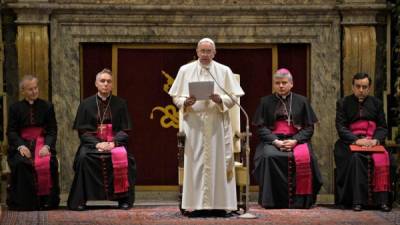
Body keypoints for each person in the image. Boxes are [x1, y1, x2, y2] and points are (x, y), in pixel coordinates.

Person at [168, 38, 244, 216]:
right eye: (202, 51)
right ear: (196, 51)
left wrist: (221, 100)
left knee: (218, 162)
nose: (205, 55)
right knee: (196, 164)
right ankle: (195, 205)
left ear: (214, 53)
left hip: (217, 124)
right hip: (194, 125)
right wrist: (185, 102)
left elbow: (234, 97)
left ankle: (220, 204)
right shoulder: (185, 70)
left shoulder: (224, 71)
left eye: (208, 51)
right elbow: (176, 97)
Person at [252, 68, 322, 209]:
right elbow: (261, 128)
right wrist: (276, 141)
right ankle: (271, 201)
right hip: (273, 140)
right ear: (274, 84)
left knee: (310, 159)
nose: (281, 86)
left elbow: (309, 127)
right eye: (277, 83)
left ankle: (302, 201)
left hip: (296, 140)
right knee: (268, 157)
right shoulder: (265, 101)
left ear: (291, 84)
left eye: (284, 83)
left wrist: (295, 140)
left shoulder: (302, 101)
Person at [67, 68, 136, 211]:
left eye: (108, 81)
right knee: (83, 158)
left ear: (112, 85)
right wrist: (98, 143)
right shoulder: (86, 104)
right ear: (96, 84)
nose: (105, 84)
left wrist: (112, 143)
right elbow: (83, 132)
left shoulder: (120, 103)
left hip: (113, 143)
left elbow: (125, 130)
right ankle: (81, 199)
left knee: (126, 158)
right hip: (93, 144)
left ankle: (123, 199)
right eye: (102, 81)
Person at [334, 72, 392, 212]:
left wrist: (376, 140)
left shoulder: (376, 103)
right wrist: (357, 140)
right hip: (350, 141)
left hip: (372, 141)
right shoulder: (343, 103)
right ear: (353, 87)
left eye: (364, 87)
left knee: (384, 158)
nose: (361, 90)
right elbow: (341, 127)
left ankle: (382, 201)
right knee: (356, 158)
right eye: (358, 86)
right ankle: (357, 201)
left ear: (369, 87)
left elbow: (382, 127)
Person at [6, 75, 60, 210]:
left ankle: (46, 201)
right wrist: (20, 146)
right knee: (21, 163)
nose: (34, 91)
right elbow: (11, 131)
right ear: (23, 91)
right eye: (30, 89)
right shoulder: (15, 108)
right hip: (22, 144)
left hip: (42, 143)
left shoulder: (47, 106)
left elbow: (52, 130)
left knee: (48, 161)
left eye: (36, 88)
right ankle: (25, 203)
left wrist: (47, 146)